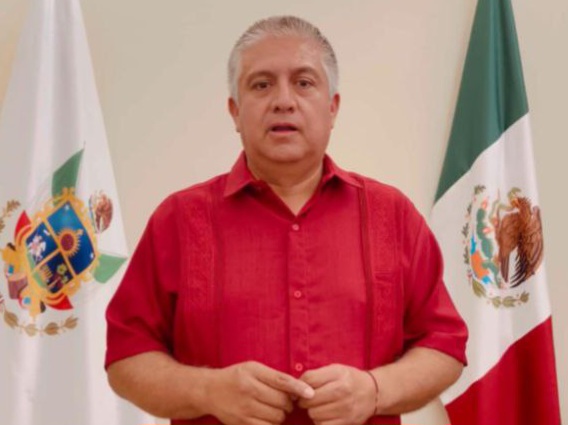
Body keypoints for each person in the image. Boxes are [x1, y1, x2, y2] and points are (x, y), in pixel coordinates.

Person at [105, 16, 468, 425]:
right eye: (261, 85)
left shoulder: (392, 216)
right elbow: (126, 357)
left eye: (304, 82)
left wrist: (374, 390)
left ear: (332, 107)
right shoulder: (178, 220)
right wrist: (208, 390)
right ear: (235, 111)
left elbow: (445, 345)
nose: (283, 101)